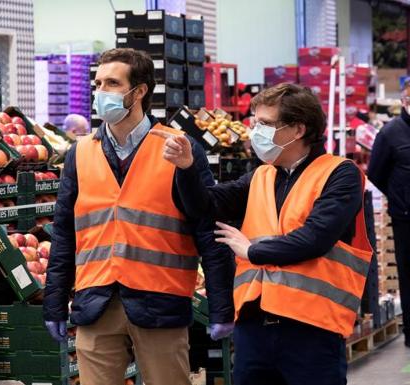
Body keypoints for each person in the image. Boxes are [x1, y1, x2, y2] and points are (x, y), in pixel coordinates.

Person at [153, 83, 373, 385]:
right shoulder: (261, 175)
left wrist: (251, 251)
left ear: (297, 129)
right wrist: (188, 167)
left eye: (266, 124)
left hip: (311, 329)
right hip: (254, 326)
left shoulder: (340, 174)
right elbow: (206, 205)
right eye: (254, 122)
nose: (256, 131)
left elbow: (315, 238)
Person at [42, 48, 235, 385]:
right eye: (98, 83)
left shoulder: (180, 149)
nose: (101, 91)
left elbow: (208, 227)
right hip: (96, 302)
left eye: (112, 83)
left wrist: (221, 304)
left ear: (140, 91)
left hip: (160, 302)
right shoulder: (80, 152)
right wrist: (54, 301)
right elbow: (63, 234)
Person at [367, 80, 410, 347]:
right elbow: (376, 172)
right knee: (407, 271)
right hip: (406, 216)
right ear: (405, 101)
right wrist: (399, 197)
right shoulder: (390, 133)